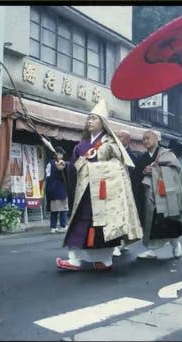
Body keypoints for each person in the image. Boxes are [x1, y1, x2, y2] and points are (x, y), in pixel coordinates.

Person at [56, 99, 143, 271]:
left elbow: (120, 167)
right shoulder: (81, 146)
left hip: (105, 194)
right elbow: (75, 168)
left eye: (94, 118)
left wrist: (96, 170)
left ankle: (104, 260)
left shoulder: (111, 144)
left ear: (103, 123)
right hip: (85, 192)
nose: (89, 121)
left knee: (103, 226)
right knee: (80, 223)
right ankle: (74, 259)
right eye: (89, 118)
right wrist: (64, 167)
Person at [135, 130, 182, 259]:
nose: (145, 141)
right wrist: (144, 173)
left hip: (165, 194)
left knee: (170, 222)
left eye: (148, 138)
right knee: (152, 223)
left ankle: (176, 245)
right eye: (143, 139)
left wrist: (155, 170)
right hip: (150, 196)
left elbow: (174, 170)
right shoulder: (142, 157)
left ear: (157, 139)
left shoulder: (167, 154)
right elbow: (137, 175)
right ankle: (151, 249)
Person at [113, 129, 142, 256]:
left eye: (121, 136)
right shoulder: (111, 151)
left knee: (126, 218)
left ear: (128, 140)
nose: (118, 138)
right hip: (113, 189)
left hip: (129, 191)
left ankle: (123, 243)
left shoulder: (134, 155)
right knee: (115, 217)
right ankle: (115, 244)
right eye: (117, 136)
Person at [45, 147, 68, 233]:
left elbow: (47, 176)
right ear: (57, 154)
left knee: (53, 210)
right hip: (59, 188)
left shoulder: (49, 163)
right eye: (60, 154)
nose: (61, 156)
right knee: (63, 209)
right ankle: (63, 225)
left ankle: (53, 227)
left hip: (50, 188)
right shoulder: (59, 164)